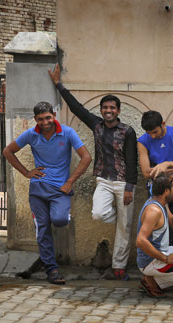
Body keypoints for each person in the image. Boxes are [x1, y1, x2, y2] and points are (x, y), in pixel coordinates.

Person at [48, 64, 138, 280]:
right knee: (99, 213)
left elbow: (132, 161)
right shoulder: (96, 125)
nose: (108, 111)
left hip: (123, 182)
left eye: (112, 108)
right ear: (101, 110)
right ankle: (120, 218)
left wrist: (129, 187)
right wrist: (59, 85)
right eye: (105, 108)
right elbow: (77, 108)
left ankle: (119, 266)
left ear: (118, 110)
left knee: (124, 229)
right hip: (104, 181)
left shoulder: (128, 131)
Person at [3, 102, 92, 285]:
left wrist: (70, 182)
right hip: (37, 188)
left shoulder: (67, 133)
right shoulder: (31, 134)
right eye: (41, 119)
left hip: (61, 189)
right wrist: (27, 172)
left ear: (54, 116)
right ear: (35, 119)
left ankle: (60, 213)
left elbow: (86, 157)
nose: (45, 122)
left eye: (48, 117)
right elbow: (8, 151)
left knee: (59, 220)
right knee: (42, 230)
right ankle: (51, 269)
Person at [137, 110, 173, 246]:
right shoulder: (142, 141)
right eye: (149, 133)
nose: (152, 136)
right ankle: (159, 259)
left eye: (155, 132)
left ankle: (171, 260)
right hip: (156, 189)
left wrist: (165, 164)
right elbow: (145, 173)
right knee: (157, 226)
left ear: (163, 123)